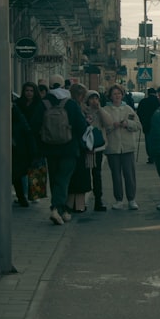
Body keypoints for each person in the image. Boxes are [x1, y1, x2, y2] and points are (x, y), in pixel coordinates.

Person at [41, 74, 87, 225]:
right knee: (63, 179)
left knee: (54, 179)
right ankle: (57, 208)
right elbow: (82, 126)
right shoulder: (70, 103)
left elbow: (35, 124)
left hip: (49, 149)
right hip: (69, 148)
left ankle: (62, 210)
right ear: (63, 85)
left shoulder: (44, 103)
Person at [99, 84, 140, 210]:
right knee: (115, 175)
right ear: (110, 96)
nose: (117, 96)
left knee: (129, 174)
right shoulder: (106, 109)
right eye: (114, 94)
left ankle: (131, 199)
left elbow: (137, 125)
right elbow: (102, 128)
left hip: (127, 147)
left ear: (122, 95)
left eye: (119, 94)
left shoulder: (128, 109)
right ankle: (118, 199)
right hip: (113, 148)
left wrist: (127, 123)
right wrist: (112, 127)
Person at [66, 83, 93, 215]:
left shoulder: (65, 105)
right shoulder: (76, 107)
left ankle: (70, 204)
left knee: (72, 177)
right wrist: (87, 122)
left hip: (68, 145)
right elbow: (81, 127)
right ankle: (79, 205)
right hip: (79, 147)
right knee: (81, 176)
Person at [10, 100, 38, 207]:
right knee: (16, 174)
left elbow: (26, 130)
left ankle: (22, 197)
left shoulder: (16, 112)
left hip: (18, 147)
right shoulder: (15, 110)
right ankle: (21, 197)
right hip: (16, 147)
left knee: (17, 174)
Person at [85, 90, 108, 212]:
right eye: (91, 98)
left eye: (96, 98)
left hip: (97, 147)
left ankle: (98, 199)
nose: (94, 101)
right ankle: (81, 200)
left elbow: (108, 123)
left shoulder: (101, 111)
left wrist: (100, 110)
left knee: (97, 174)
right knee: (84, 174)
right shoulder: (83, 111)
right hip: (85, 148)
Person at [136, 87, 160, 164]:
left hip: (147, 125)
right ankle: (158, 156)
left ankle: (151, 157)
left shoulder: (143, 101)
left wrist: (142, 121)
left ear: (147, 93)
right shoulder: (159, 101)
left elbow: (139, 113)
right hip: (158, 126)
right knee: (157, 141)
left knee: (149, 142)